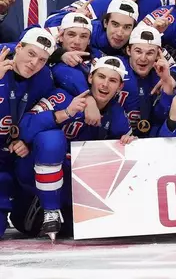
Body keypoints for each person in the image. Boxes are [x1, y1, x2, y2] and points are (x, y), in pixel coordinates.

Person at [15, 56, 135, 240]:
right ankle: (50, 209)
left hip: (72, 186)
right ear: (90, 78)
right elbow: (24, 126)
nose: (105, 85)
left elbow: (126, 153)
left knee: (73, 229)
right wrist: (67, 113)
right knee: (52, 139)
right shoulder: (61, 97)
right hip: (32, 172)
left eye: (112, 80)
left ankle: (57, 209)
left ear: (119, 87)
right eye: (101, 77)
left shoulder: (117, 113)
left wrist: (129, 142)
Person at [0, 28, 57, 238]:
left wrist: (27, 139)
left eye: (42, 60)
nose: (34, 63)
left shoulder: (43, 78)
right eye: (31, 54)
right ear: (19, 47)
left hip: (9, 158)